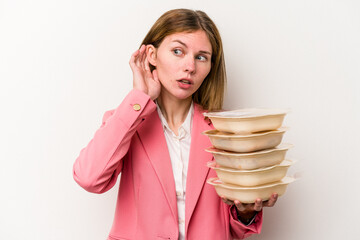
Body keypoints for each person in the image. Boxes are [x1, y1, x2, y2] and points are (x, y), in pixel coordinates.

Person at [73, 8, 278, 240]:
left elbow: (233, 229)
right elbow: (89, 178)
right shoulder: (127, 121)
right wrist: (139, 98)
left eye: (201, 57)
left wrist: (246, 212)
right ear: (151, 55)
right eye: (178, 51)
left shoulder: (224, 132)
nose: (190, 66)